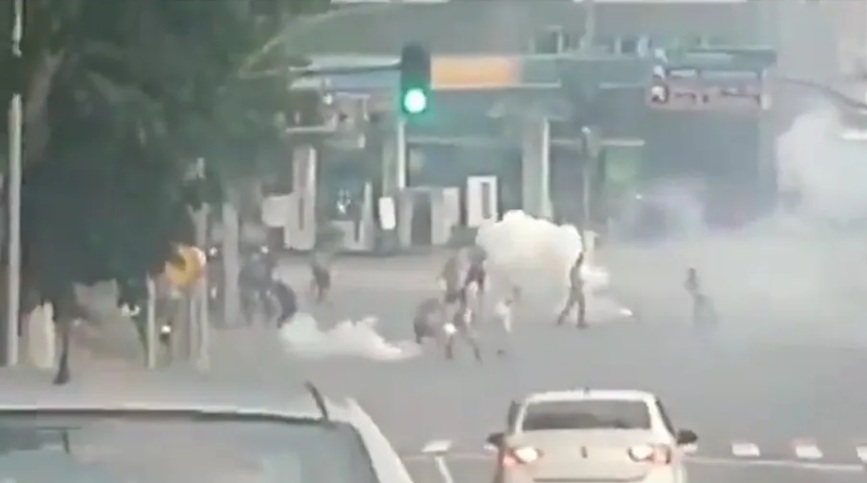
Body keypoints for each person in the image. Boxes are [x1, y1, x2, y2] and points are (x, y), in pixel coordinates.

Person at [556, 252, 587, 328]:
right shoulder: (574, 270)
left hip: (576, 290)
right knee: (573, 305)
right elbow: (574, 280)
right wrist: (579, 285)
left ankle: (562, 319)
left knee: (575, 305)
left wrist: (581, 282)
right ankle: (579, 322)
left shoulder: (576, 269)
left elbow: (576, 279)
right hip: (576, 290)